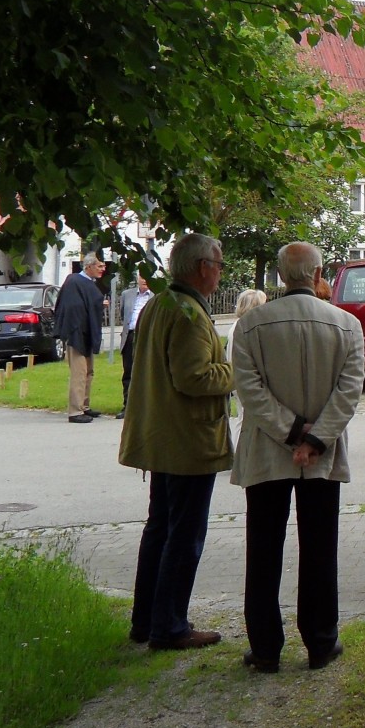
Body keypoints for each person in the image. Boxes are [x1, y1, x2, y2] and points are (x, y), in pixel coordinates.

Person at [230, 242, 364, 673]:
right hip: (320, 457)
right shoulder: (346, 325)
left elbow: (249, 391)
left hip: (269, 451)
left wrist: (291, 434)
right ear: (318, 272)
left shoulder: (251, 326)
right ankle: (321, 642)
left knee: (263, 550)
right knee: (321, 549)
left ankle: (266, 647)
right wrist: (315, 440)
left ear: (281, 276)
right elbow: (349, 391)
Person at [118, 232, 233, 652]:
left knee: (160, 530)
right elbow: (194, 377)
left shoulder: (159, 303)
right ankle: (168, 627)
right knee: (183, 536)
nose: (220, 273)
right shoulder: (186, 312)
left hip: (162, 437)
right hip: (187, 442)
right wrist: (235, 371)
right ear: (203, 267)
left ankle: (146, 621)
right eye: (218, 265)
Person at [55, 253, 107, 424]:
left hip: (86, 334)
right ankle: (75, 411)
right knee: (79, 372)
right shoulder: (74, 281)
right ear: (89, 266)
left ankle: (84, 406)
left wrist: (99, 304)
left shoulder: (85, 283)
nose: (103, 269)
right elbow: (73, 308)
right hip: (76, 334)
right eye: (99, 266)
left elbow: (88, 303)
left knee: (89, 372)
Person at [116, 271, 155, 419]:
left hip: (147, 337)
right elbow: (123, 315)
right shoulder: (127, 294)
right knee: (128, 373)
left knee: (147, 372)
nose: (144, 280)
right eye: (142, 277)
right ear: (138, 278)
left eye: (148, 277)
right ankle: (128, 407)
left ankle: (147, 408)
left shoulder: (156, 296)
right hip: (130, 336)